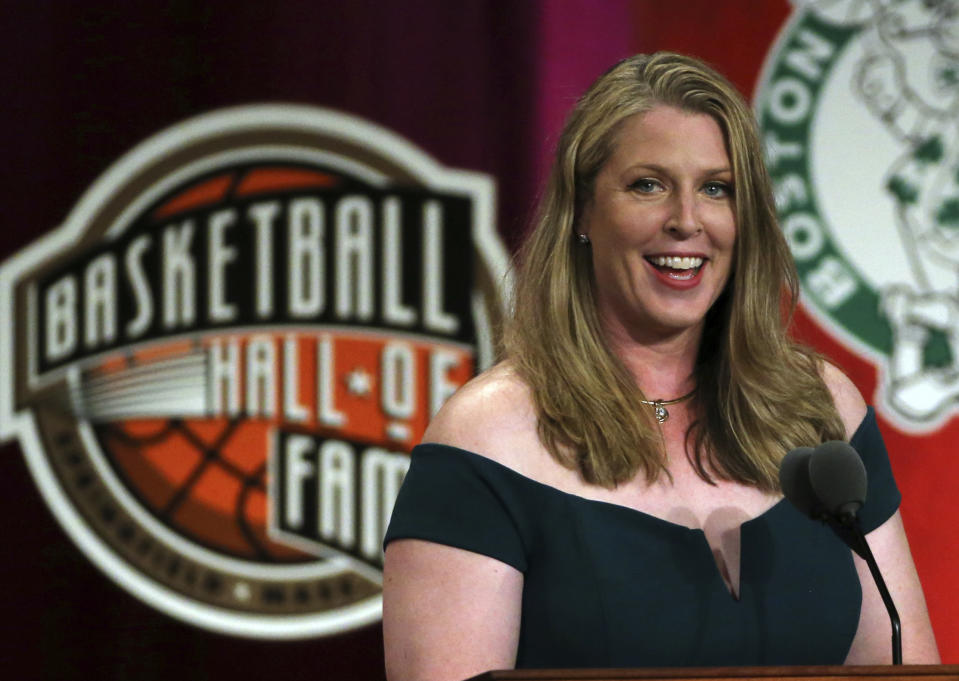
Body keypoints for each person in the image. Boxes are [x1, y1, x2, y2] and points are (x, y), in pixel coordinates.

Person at [382, 52, 940, 680]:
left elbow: (904, 664)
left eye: (716, 189)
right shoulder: (488, 437)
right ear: (583, 212)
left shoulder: (820, 409)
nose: (686, 220)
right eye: (648, 185)